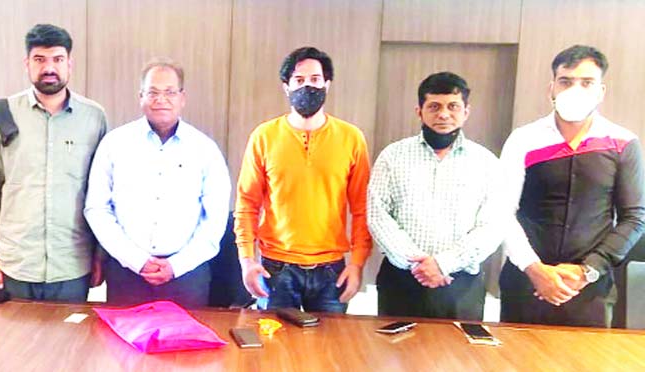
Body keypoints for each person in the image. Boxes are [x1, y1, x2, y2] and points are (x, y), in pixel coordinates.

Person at [500, 45, 645, 327]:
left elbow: (634, 217)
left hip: (590, 289)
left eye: (587, 83)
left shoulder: (623, 142)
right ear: (551, 88)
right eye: (566, 81)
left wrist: (587, 271)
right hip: (525, 284)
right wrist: (535, 269)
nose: (575, 90)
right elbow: (501, 211)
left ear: (601, 91)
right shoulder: (523, 139)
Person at [0, 24, 108, 302]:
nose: (49, 68)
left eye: (57, 59)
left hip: (72, 265)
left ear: (69, 64)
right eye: (39, 59)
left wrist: (100, 255)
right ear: (27, 63)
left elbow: (103, 194)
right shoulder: (3, 114)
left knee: (70, 344)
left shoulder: (94, 117)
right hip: (15, 265)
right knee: (15, 344)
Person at [84, 58, 230, 308]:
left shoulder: (204, 149)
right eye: (152, 92)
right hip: (126, 274)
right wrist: (136, 259)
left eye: (170, 92)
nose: (161, 99)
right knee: (123, 346)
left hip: (187, 276)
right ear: (141, 97)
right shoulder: (114, 143)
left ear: (182, 97)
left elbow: (215, 219)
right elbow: (96, 208)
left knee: (187, 347)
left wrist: (177, 265)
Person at [234, 47, 371, 313]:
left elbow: (362, 208)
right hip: (275, 269)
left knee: (329, 351)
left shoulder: (351, 138)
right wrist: (246, 260)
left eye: (315, 79)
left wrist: (357, 263)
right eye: (298, 80)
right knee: (274, 351)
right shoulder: (264, 136)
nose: (307, 86)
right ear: (286, 87)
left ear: (327, 84)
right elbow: (247, 204)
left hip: (332, 271)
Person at [367, 72, 505, 321]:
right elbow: (378, 216)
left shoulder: (486, 163)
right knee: (392, 355)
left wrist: (443, 264)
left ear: (466, 111)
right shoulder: (392, 156)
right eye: (434, 106)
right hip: (401, 282)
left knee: (458, 358)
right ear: (419, 111)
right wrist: (418, 265)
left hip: (461, 284)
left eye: (453, 106)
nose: (443, 114)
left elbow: (492, 226)